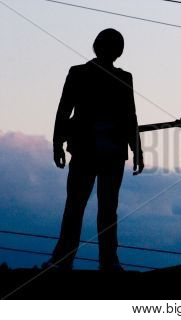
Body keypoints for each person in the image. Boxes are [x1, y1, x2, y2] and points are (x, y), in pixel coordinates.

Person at [44, 28, 144, 271]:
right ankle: (70, 259)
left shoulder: (118, 77)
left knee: (100, 208)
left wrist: (137, 149)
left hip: (106, 152)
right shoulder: (79, 73)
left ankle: (102, 261)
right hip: (89, 151)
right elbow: (64, 110)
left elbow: (130, 116)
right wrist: (58, 143)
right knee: (81, 206)